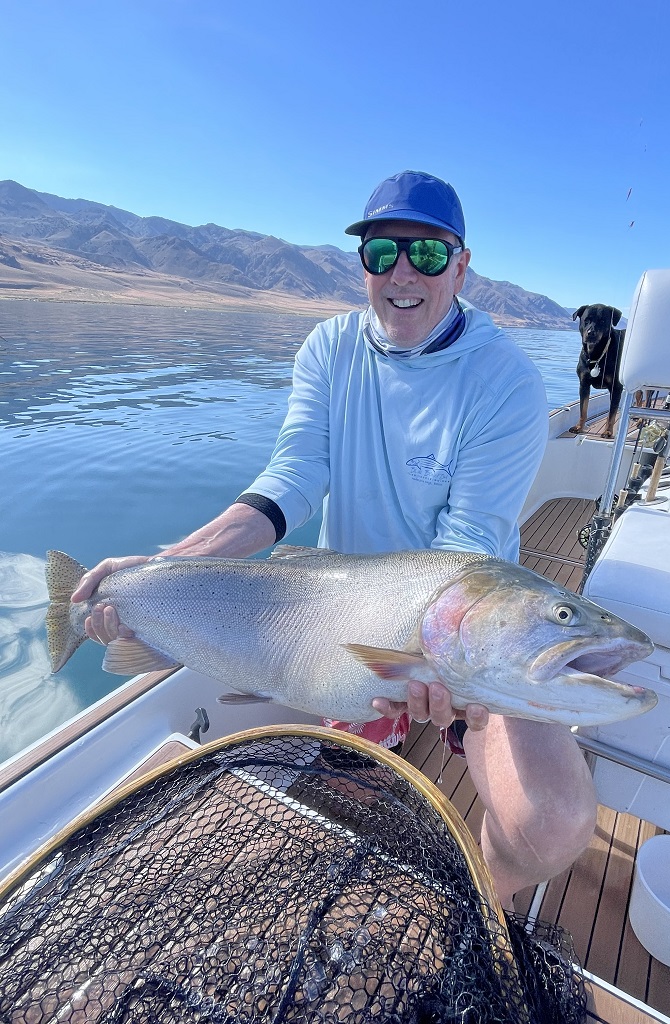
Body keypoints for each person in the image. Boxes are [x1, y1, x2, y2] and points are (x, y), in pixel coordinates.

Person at [73, 170, 597, 910]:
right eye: (383, 253)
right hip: (342, 617)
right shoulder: (329, 349)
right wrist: (159, 568)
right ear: (363, 264)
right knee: (339, 780)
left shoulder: (505, 379)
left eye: (428, 253)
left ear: (463, 264)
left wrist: (440, 662)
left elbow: (467, 546)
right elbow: (289, 482)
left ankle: (487, 912)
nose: (403, 273)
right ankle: (366, 747)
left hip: (467, 634)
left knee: (551, 825)